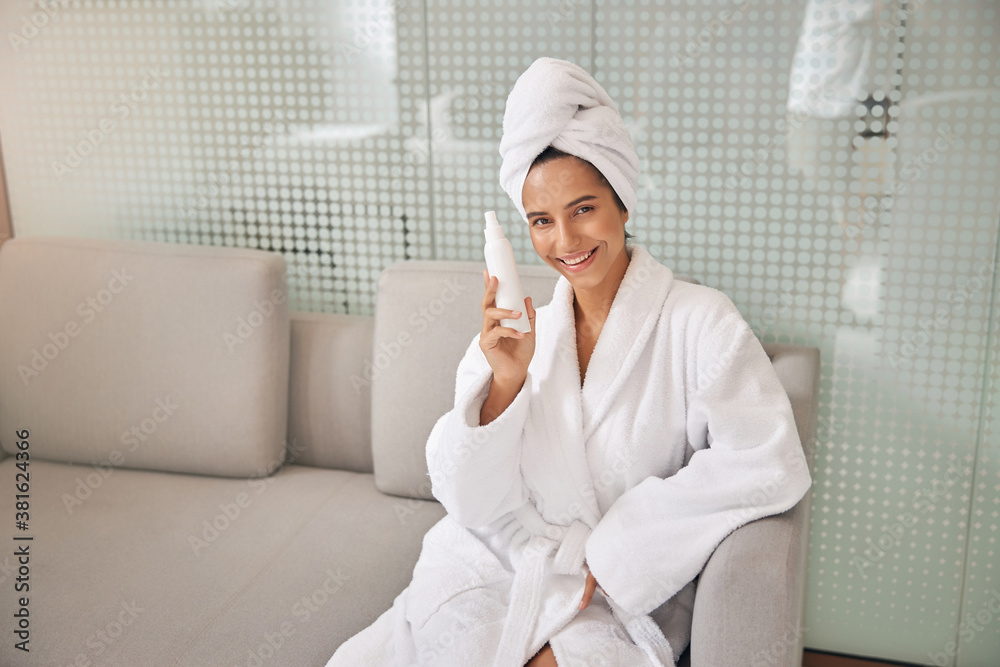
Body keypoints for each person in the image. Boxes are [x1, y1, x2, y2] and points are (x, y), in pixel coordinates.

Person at [328, 56, 812, 667]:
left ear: (622, 203)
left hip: (620, 588)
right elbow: (467, 500)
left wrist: (619, 553)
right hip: (494, 564)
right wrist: (505, 382)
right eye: (541, 221)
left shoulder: (700, 321)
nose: (565, 241)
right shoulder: (523, 332)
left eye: (583, 208)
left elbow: (767, 460)